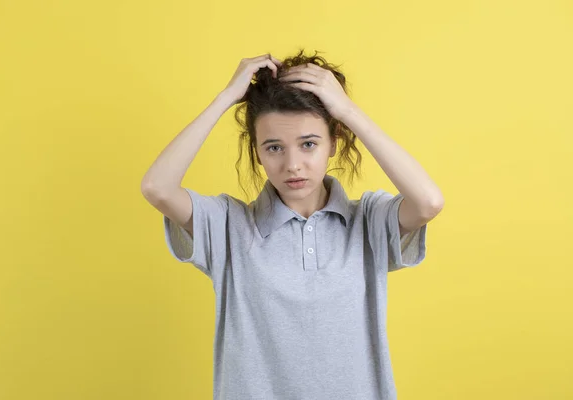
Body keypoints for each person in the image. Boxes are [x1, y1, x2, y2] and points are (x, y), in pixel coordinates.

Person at [141, 49, 444, 400]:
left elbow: (428, 202)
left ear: (334, 142)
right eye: (273, 148)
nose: (293, 164)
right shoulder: (228, 226)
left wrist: (346, 110)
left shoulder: (369, 221)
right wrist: (226, 98)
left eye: (309, 144)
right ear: (256, 151)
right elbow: (156, 187)